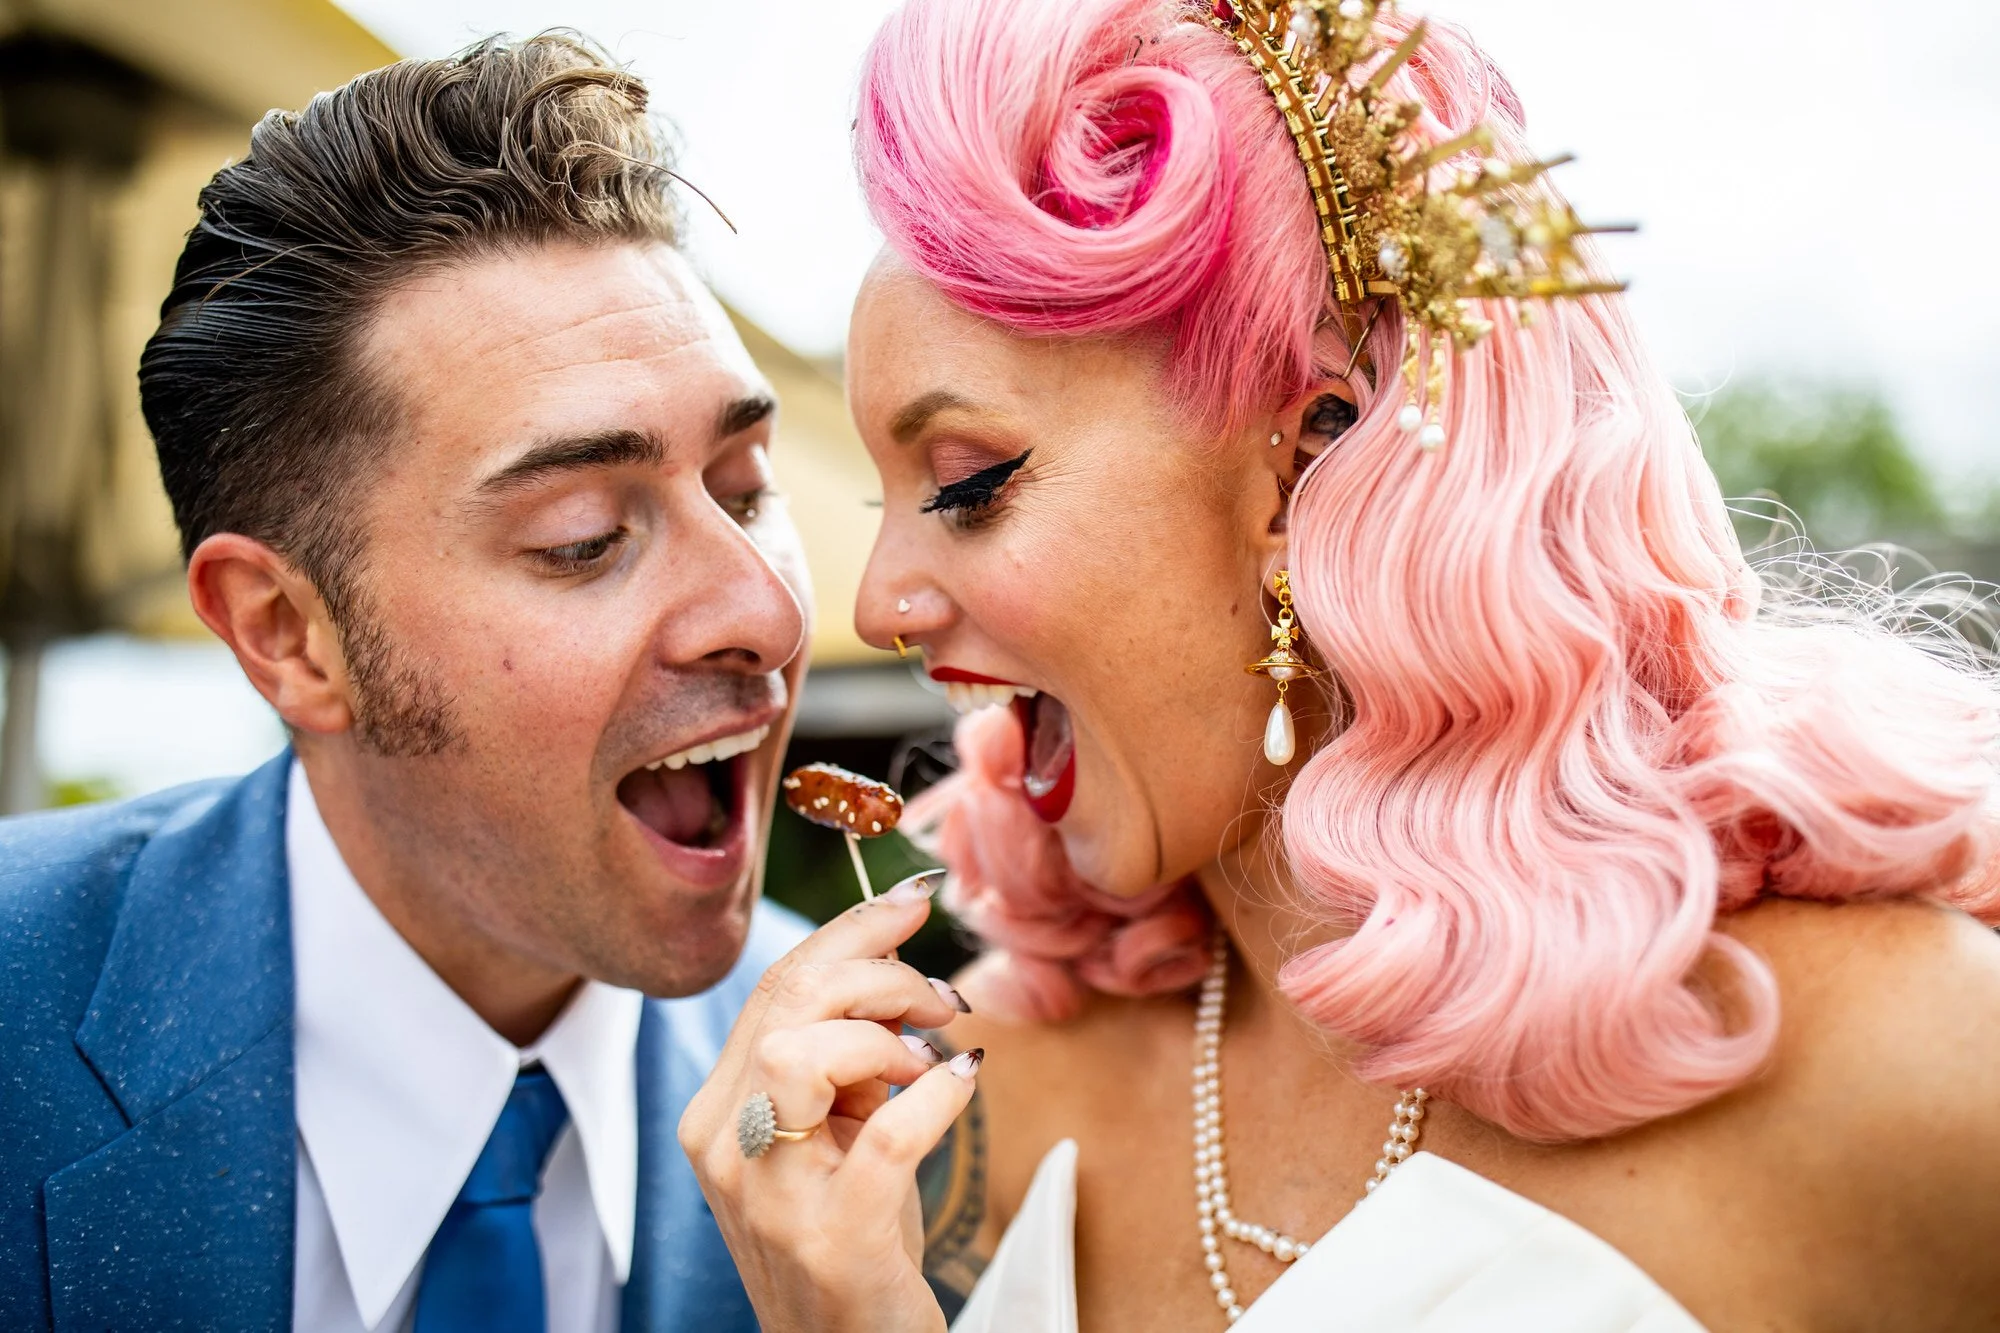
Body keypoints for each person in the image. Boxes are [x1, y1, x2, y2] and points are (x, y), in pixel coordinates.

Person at [680, 0, 2000, 1328]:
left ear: (1313, 450)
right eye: (882, 505)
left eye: (968, 485)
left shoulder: (1911, 1062)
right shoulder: (956, 1108)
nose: (879, 601)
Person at [0, 35, 821, 1332]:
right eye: (582, 538)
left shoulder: (910, 1112)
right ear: (287, 635)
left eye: (745, 489)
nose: (767, 612)